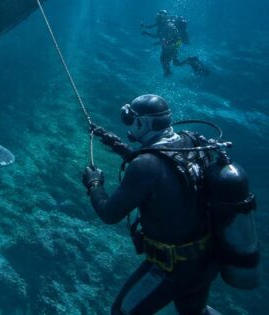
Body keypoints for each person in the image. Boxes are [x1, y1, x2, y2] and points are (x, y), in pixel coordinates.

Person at [82, 95, 222, 315]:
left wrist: (94, 184)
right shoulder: (191, 142)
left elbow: (110, 214)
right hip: (207, 260)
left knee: (121, 312)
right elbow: (166, 168)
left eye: (129, 119)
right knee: (195, 312)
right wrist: (111, 141)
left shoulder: (145, 166)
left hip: (173, 267)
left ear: (142, 123)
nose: (128, 124)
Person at [141, 10, 208, 77]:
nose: (157, 18)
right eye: (157, 17)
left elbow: (177, 39)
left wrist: (172, 45)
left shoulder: (169, 26)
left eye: (159, 17)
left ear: (163, 17)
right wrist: (147, 33)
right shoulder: (162, 26)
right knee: (175, 63)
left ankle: (169, 73)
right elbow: (158, 36)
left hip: (171, 46)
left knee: (166, 60)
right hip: (170, 46)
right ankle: (191, 61)